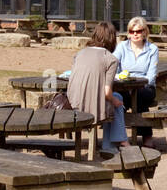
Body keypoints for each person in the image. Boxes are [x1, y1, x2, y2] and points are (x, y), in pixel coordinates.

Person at [67, 21, 128, 152]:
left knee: (113, 98)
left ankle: (115, 142)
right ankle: (113, 144)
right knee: (116, 99)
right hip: (91, 108)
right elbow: (107, 92)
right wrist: (116, 102)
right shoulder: (111, 59)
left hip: (73, 103)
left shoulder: (80, 53)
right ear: (112, 39)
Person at [115, 16, 158, 141]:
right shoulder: (122, 46)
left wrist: (136, 83)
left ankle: (142, 136)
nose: (135, 34)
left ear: (144, 32)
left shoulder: (152, 49)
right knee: (116, 97)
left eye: (138, 31)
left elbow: (151, 76)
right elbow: (113, 64)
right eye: (131, 31)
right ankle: (143, 136)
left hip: (145, 87)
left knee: (138, 96)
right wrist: (120, 78)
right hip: (124, 85)